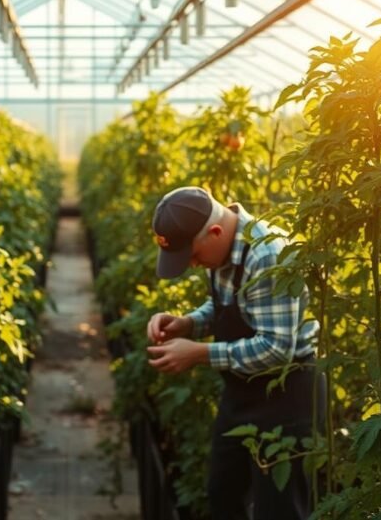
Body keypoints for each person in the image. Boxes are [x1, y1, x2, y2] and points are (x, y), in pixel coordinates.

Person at [144, 186, 322, 520]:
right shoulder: (223, 248)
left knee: (279, 511)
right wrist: (188, 324)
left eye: (193, 256)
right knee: (222, 493)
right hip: (242, 394)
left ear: (214, 232)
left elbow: (277, 347)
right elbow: (228, 303)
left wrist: (200, 353)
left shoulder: (266, 253)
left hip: (286, 397)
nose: (194, 265)